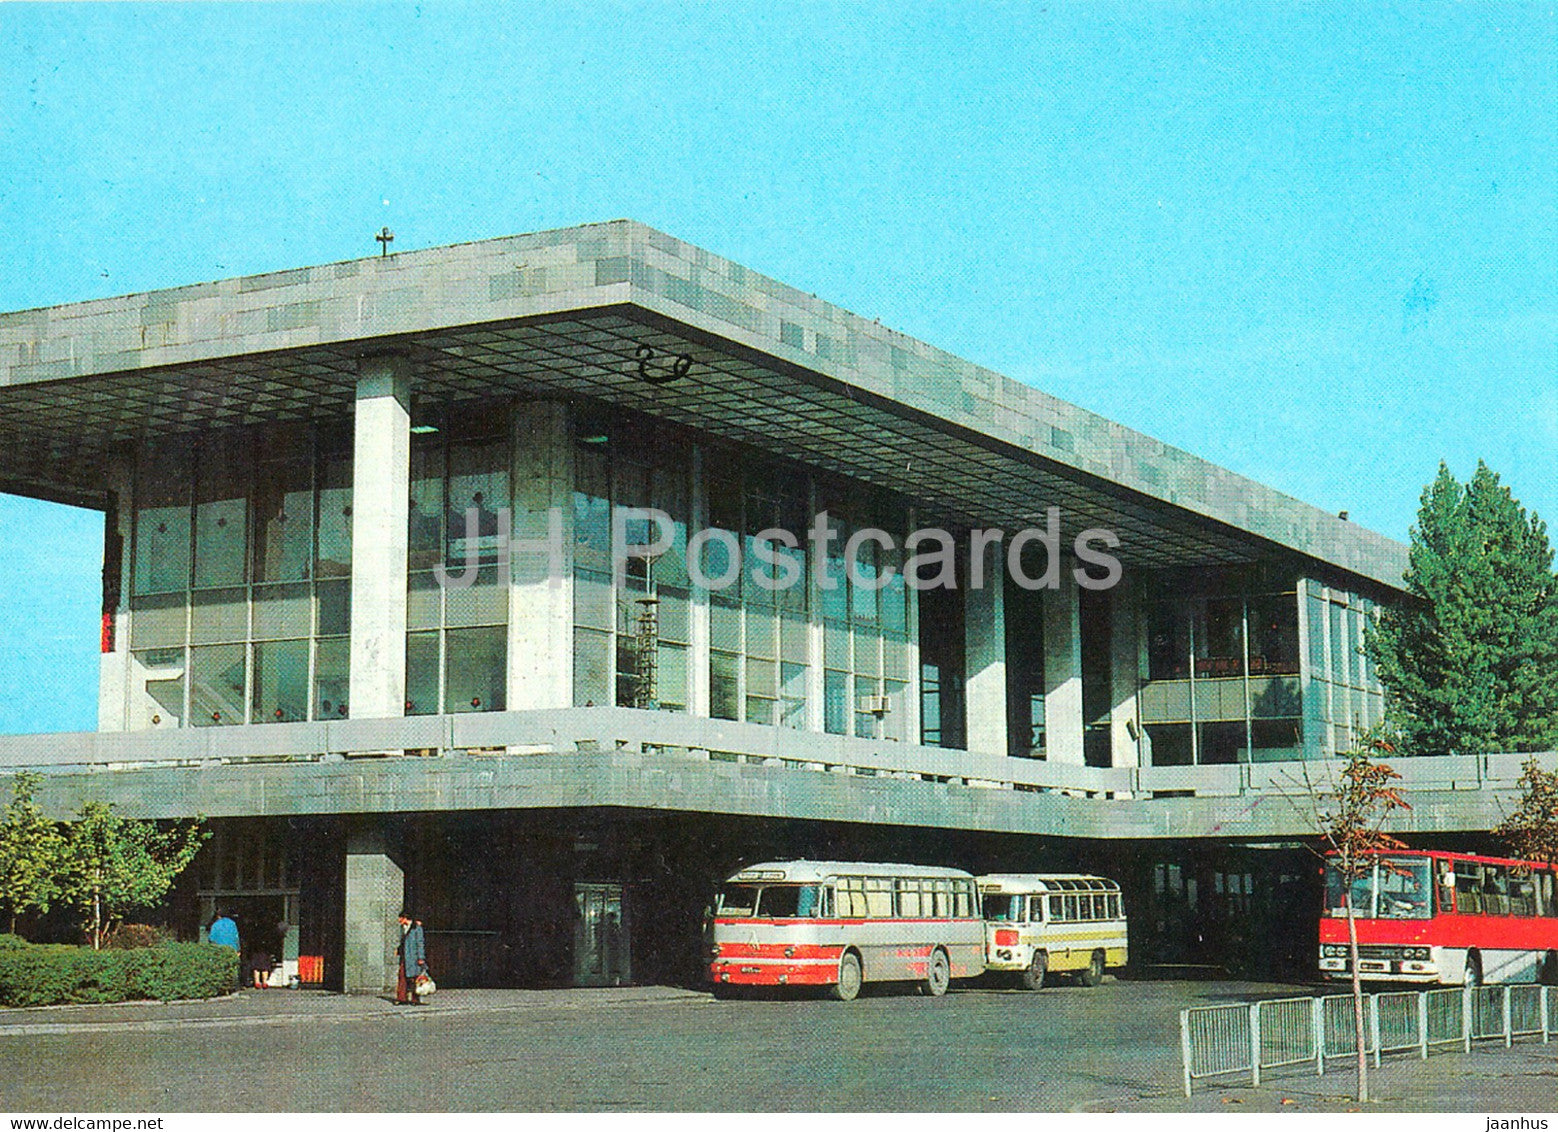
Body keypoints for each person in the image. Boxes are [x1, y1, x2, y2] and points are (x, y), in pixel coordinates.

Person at [395, 911, 427, 1005]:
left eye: (400, 918)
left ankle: (415, 999)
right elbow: (403, 941)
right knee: (402, 976)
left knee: (414, 978)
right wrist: (399, 949)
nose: (399, 920)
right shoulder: (403, 928)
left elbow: (420, 943)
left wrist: (421, 957)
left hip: (414, 957)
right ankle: (402, 998)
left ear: (405, 918)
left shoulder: (416, 928)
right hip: (405, 957)